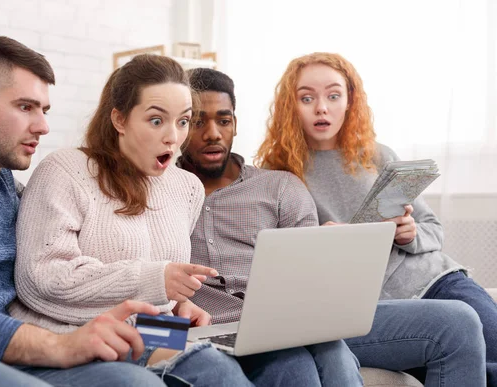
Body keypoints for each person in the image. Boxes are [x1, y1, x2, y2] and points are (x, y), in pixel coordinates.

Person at [10, 54, 327, 386]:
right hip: (73, 332)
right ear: (119, 119)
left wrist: (180, 305)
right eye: (157, 121)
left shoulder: (186, 188)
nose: (174, 138)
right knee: (215, 372)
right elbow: (40, 278)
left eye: (183, 121)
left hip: (152, 330)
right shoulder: (64, 171)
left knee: (291, 364)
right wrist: (156, 281)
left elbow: (160, 279)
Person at [180, 67, 487, 387]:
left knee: (460, 321)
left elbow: (314, 280)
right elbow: (148, 305)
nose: (213, 133)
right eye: (198, 121)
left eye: (224, 120)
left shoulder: (280, 185)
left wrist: (333, 248)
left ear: (236, 124)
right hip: (214, 332)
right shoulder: (160, 193)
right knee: (307, 361)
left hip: (298, 321)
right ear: (181, 125)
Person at [0, 36, 173, 387]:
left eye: (44, 111)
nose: (43, 126)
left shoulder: (11, 189)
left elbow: (74, 280)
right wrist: (54, 346)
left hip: (4, 348)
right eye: (26, 107)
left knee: (144, 380)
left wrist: (170, 319)